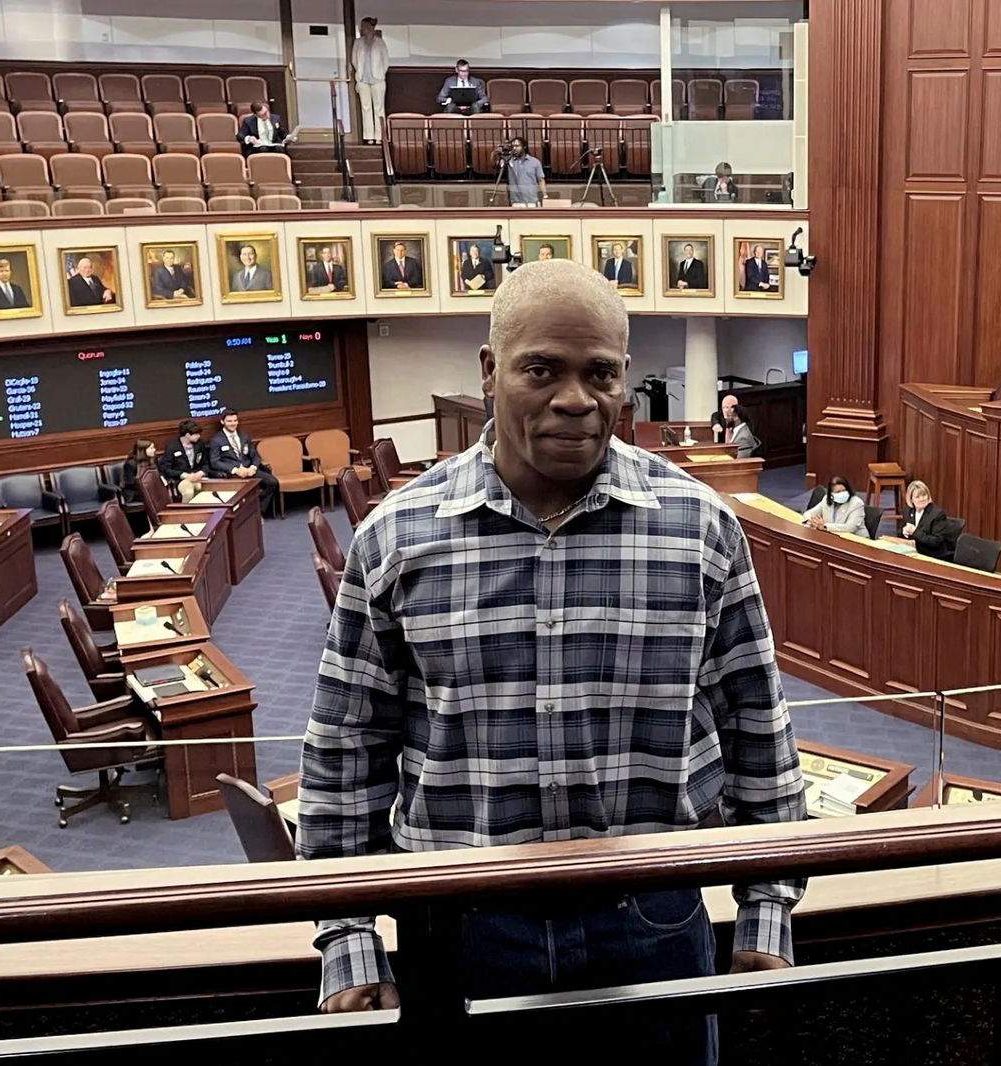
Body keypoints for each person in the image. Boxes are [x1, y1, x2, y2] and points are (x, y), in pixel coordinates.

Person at [297, 260, 805, 1063]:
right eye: (542, 369)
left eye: (600, 373)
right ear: (491, 372)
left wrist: (767, 908)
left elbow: (756, 726)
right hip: (457, 927)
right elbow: (345, 751)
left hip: (656, 920)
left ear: (625, 379)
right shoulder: (396, 538)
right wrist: (348, 933)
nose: (576, 398)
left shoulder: (701, 528)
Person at [206, 409, 280, 517]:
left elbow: (255, 456)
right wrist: (235, 470)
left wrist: (253, 468)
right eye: (229, 421)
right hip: (232, 474)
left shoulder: (244, 436)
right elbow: (214, 462)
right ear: (223, 422)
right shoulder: (216, 440)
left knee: (272, 482)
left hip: (249, 470)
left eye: (235, 420)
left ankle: (258, 511)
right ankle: (247, 513)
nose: (233, 424)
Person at [350, 16, 389, 145]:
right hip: (362, 79)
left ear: (371, 28)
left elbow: (385, 62)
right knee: (365, 108)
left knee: (379, 108)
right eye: (361, 27)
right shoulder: (358, 43)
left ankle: (380, 136)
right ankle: (369, 136)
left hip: (378, 79)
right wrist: (359, 75)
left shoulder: (380, 42)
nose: (362, 29)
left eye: (365, 27)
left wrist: (380, 74)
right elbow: (354, 61)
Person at [899, 481, 958, 562]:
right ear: (911, 499)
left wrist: (915, 532)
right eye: (918, 497)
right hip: (914, 552)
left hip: (933, 556)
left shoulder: (937, 514)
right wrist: (904, 532)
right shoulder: (908, 511)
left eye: (924, 495)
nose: (922, 499)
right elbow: (900, 533)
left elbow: (936, 541)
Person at [158, 419, 209, 502]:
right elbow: (165, 469)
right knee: (188, 493)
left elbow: (206, 463)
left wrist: (201, 473)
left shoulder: (200, 444)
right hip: (182, 479)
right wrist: (184, 475)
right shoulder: (172, 446)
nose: (198, 436)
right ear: (187, 435)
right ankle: (187, 513)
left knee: (208, 490)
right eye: (196, 434)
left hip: (199, 477)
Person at [801, 475, 866, 535]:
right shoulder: (827, 499)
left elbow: (850, 527)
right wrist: (812, 522)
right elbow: (809, 513)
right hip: (832, 537)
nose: (842, 494)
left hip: (856, 540)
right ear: (831, 494)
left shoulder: (857, 503)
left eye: (844, 490)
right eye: (838, 492)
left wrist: (825, 526)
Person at [501, 137, 545, 207]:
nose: (514, 148)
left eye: (517, 146)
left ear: (524, 147)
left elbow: (541, 180)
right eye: (512, 146)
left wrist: (545, 195)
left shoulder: (535, 162)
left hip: (532, 201)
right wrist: (495, 154)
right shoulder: (509, 161)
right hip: (516, 201)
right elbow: (495, 165)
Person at [119, 440, 159, 506]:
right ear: (143, 450)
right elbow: (130, 483)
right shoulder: (131, 464)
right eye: (151, 448)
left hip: (150, 490)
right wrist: (146, 485)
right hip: (135, 493)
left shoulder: (153, 460)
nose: (154, 450)